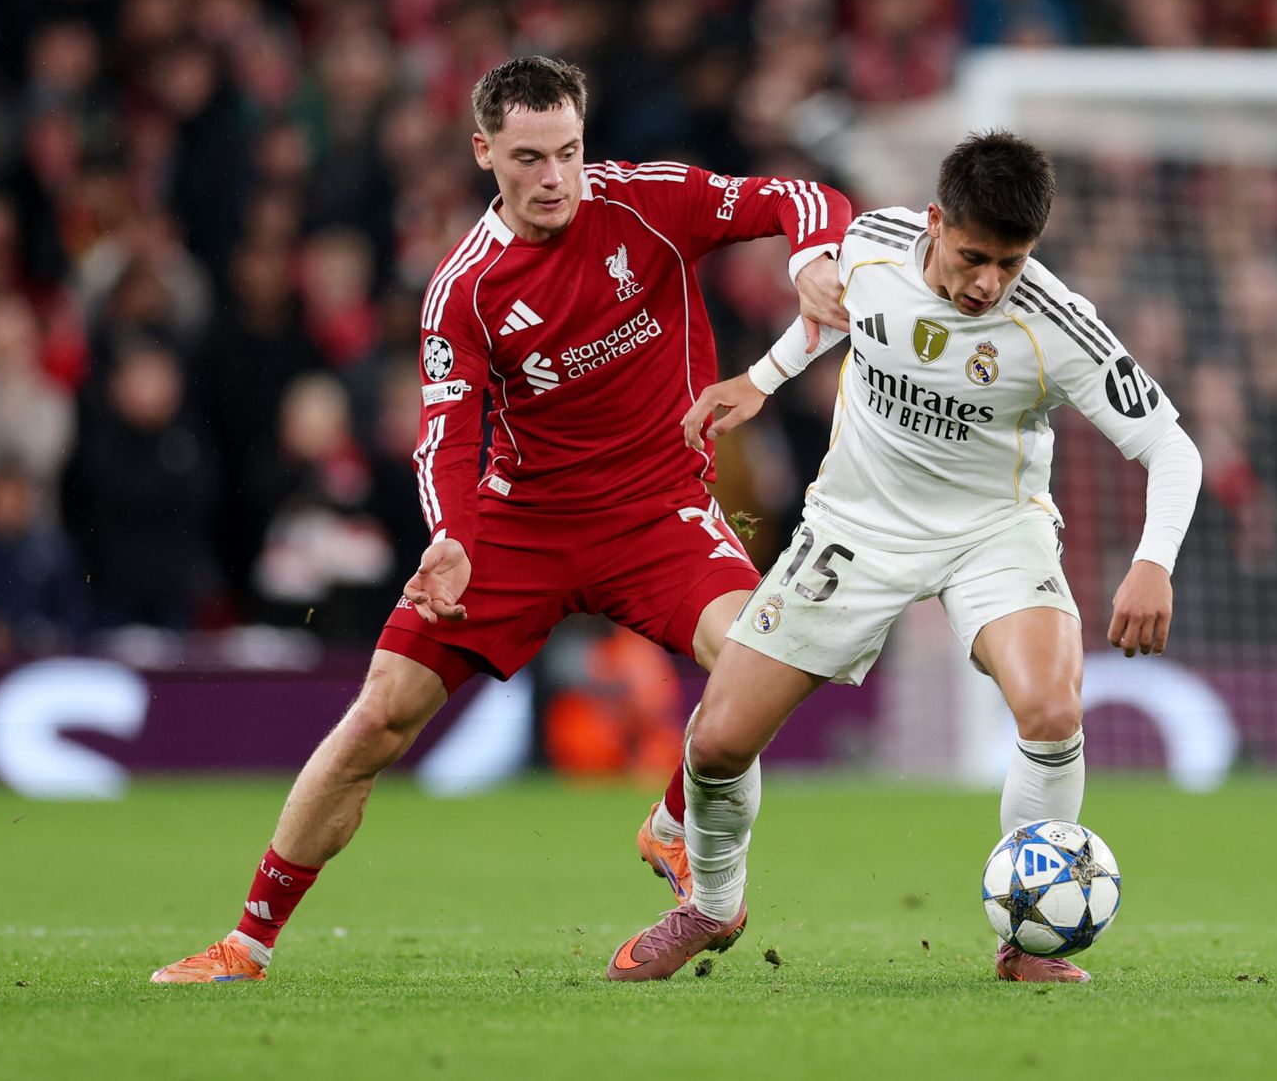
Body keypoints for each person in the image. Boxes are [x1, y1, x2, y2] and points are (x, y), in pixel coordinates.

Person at [151, 55, 851, 983]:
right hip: (521, 527)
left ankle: (676, 825)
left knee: (762, 661)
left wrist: (812, 261)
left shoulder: (649, 201)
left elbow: (804, 197)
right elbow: (447, 436)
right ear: (484, 151)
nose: (555, 177)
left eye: (568, 152)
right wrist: (450, 538)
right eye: (529, 158)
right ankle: (246, 943)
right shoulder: (466, 287)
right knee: (379, 717)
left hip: (659, 512)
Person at [606, 132, 1202, 985]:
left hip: (993, 532)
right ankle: (712, 906)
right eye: (973, 257)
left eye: (1010, 263)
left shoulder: (1057, 323)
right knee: (718, 743)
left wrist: (1153, 562)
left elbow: (1171, 447)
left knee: (1050, 709)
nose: (989, 282)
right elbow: (835, 315)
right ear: (934, 223)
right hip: (855, 527)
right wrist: (762, 379)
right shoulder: (872, 244)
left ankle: (1025, 942)